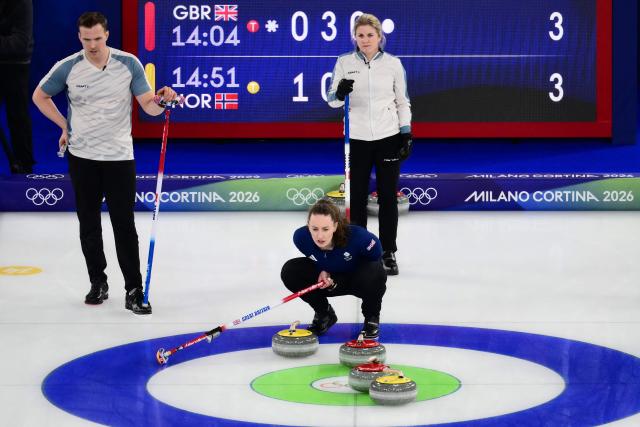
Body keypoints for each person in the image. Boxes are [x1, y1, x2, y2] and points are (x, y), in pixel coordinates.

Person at [32, 12, 177, 314]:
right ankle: (98, 282)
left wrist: (162, 99)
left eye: (97, 38)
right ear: (79, 38)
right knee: (89, 224)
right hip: (82, 157)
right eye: (87, 40)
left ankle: (134, 290)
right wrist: (64, 126)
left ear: (107, 35)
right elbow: (40, 96)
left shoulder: (129, 64)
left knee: (124, 225)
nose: (93, 45)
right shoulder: (69, 67)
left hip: (118, 157)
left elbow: (149, 106)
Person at [327, 13, 412, 276]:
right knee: (357, 198)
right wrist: (340, 92)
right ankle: (361, 250)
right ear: (355, 37)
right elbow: (332, 100)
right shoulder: (344, 62)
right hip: (357, 140)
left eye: (370, 35)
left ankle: (388, 251)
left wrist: (406, 132)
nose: (365, 40)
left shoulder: (393, 64)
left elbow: (402, 101)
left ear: (379, 37)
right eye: (360, 35)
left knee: (388, 197)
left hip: (387, 138)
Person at [281, 199, 387, 339]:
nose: (320, 236)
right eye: (314, 229)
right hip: (328, 282)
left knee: (375, 271)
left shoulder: (360, 238)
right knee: (291, 270)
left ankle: (371, 318)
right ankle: (324, 314)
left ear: (335, 226)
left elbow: (376, 261)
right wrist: (323, 269)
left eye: (325, 229)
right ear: (308, 226)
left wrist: (338, 276)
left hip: (358, 279)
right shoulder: (301, 238)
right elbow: (317, 257)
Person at [0, 0, 34, 173]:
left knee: (18, 117)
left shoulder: (22, 2)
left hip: (15, 63)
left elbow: (20, 43)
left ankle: (24, 167)